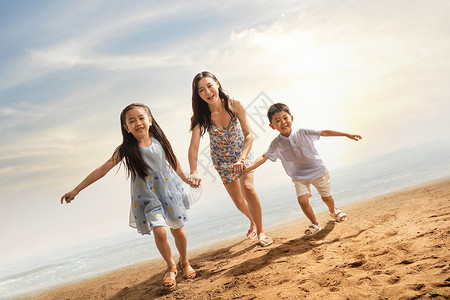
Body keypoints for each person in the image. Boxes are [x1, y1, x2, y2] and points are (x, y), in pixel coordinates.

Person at [60, 103, 197, 288]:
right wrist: (77, 189)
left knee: (178, 230)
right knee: (159, 229)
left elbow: (173, 160)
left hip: (169, 191)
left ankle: (184, 262)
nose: (138, 123)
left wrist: (186, 179)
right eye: (131, 121)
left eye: (141, 118)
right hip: (148, 197)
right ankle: (171, 267)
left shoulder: (160, 140)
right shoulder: (126, 149)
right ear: (126, 128)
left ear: (149, 119)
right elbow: (103, 169)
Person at [241, 103, 362, 236]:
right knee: (302, 201)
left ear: (291, 118)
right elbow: (264, 157)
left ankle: (333, 211)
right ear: (272, 126)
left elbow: (324, 132)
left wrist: (347, 134)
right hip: (299, 176)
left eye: (285, 118)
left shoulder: (303, 132)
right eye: (277, 121)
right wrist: (247, 168)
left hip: (318, 171)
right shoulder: (276, 144)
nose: (283, 122)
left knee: (326, 198)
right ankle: (315, 224)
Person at [187, 71, 273, 247]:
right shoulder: (200, 117)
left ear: (217, 83)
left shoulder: (235, 104)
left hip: (242, 153)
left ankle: (261, 232)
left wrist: (242, 159)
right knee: (239, 201)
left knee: (248, 188)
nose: (207, 92)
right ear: (198, 94)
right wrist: (194, 171)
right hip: (221, 160)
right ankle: (253, 221)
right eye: (201, 90)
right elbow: (194, 147)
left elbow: (249, 135)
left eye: (209, 86)